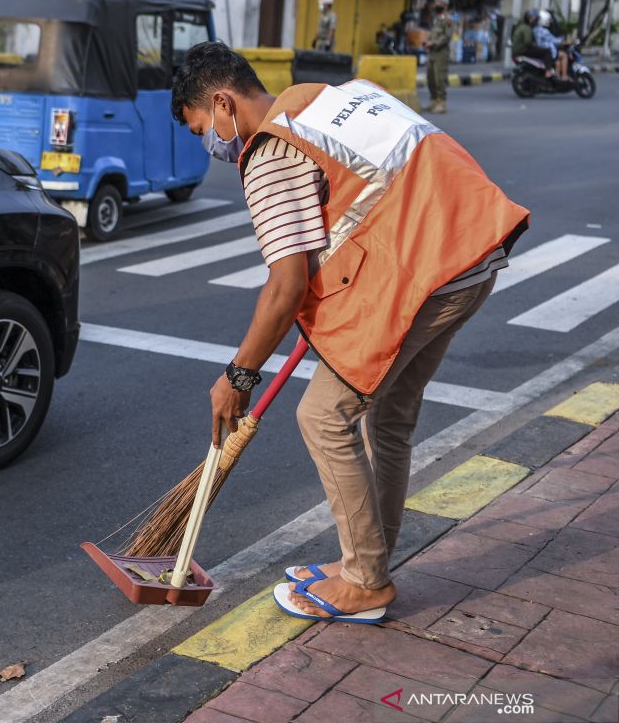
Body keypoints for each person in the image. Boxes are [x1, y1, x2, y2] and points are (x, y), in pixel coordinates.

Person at [170, 42, 528, 623]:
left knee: (322, 417)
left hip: (429, 270)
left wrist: (238, 376)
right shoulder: (328, 99)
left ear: (222, 103)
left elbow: (285, 286)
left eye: (202, 128)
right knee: (388, 418)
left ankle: (366, 581)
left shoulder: (269, 152)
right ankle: (369, 562)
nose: (213, 142)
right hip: (472, 250)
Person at [424, 0, 453, 113]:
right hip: (432, 53)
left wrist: (434, 43)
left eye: (439, 3)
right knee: (430, 78)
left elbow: (446, 36)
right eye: (435, 3)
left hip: (441, 54)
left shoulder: (448, 20)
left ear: (445, 5)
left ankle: (442, 102)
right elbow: (432, 34)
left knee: (439, 78)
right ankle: (433, 100)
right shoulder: (437, 19)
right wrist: (427, 41)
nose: (436, 5)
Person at [535, 10, 569, 80]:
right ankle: (564, 76)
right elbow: (554, 40)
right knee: (564, 56)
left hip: (543, 50)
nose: (549, 21)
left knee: (558, 59)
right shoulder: (544, 31)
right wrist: (565, 42)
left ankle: (556, 76)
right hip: (548, 50)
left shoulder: (536, 29)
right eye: (548, 19)